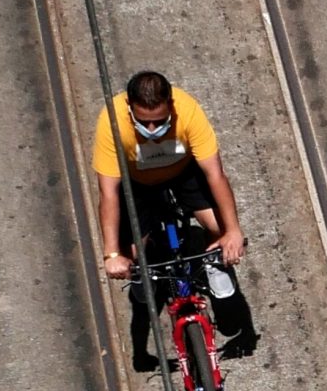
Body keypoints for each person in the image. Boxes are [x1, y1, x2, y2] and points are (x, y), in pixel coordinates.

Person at [91, 69, 257, 366]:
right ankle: (147, 273)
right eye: (144, 122)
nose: (153, 128)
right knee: (135, 254)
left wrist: (232, 230)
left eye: (160, 120)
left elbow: (215, 174)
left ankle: (213, 263)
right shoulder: (111, 121)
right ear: (129, 108)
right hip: (138, 184)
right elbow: (109, 194)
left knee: (219, 227)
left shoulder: (188, 110)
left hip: (183, 174)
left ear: (171, 105)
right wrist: (112, 253)